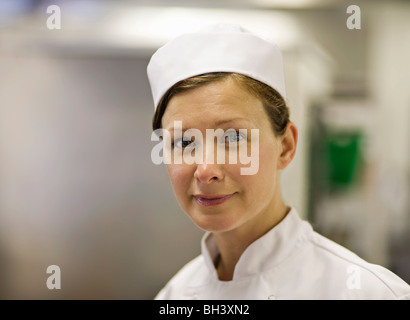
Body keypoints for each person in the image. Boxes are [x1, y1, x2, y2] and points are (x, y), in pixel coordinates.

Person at [146, 23, 410, 300]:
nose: (206, 170)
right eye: (184, 142)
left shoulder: (368, 293)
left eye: (233, 137)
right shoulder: (175, 296)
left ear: (286, 146)